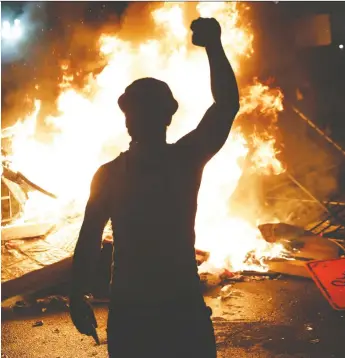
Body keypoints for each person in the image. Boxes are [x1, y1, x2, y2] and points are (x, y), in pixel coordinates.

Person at [69, 17, 239, 357]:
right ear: (169, 116)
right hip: (177, 307)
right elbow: (226, 107)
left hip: (137, 312)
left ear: (127, 119)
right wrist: (214, 46)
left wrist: (78, 296)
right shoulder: (185, 160)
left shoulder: (111, 174)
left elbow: (88, 239)